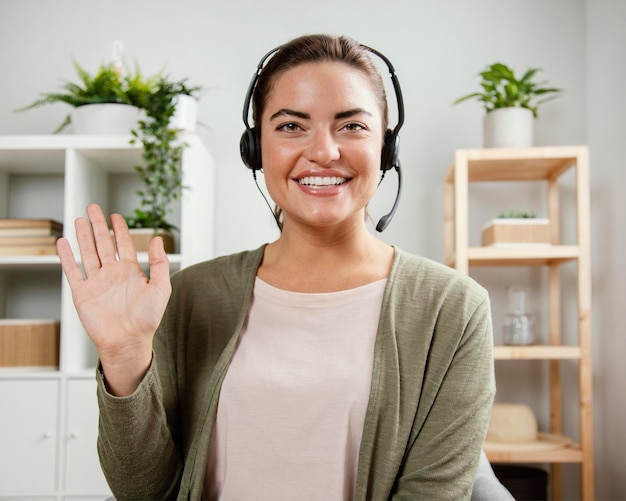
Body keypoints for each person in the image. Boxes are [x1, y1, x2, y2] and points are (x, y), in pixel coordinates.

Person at [57, 34, 496, 501]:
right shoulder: (187, 297)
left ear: (386, 149)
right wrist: (124, 359)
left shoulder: (454, 309)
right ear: (255, 148)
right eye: (291, 126)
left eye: (352, 127)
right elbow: (144, 492)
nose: (324, 151)